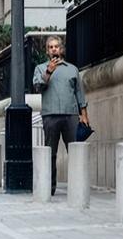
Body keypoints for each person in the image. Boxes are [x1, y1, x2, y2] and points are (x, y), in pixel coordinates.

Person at [33, 36, 89, 196]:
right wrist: (48, 72)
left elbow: (79, 92)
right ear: (47, 51)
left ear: (61, 49)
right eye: (50, 47)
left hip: (71, 115)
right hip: (50, 115)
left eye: (56, 46)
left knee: (75, 151)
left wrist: (83, 114)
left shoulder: (72, 69)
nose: (54, 49)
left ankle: (78, 186)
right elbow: (38, 87)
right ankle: (49, 187)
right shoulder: (40, 68)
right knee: (50, 153)